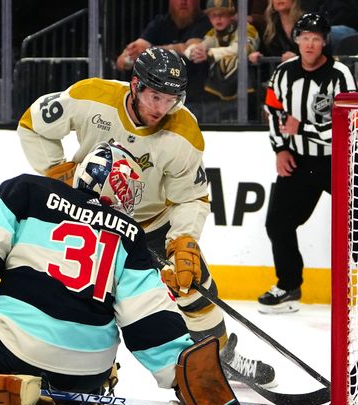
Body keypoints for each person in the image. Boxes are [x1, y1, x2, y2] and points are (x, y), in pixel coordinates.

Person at [0, 141, 247, 405]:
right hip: (87, 371)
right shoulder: (131, 234)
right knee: (88, 361)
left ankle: (23, 404)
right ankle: (75, 399)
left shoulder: (25, 190)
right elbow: (149, 321)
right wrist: (181, 378)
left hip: (13, 348)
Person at [16, 47, 276, 387]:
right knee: (70, 292)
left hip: (149, 225)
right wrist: (55, 170)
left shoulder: (183, 132)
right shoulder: (91, 96)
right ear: (135, 85)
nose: (161, 108)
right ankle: (66, 363)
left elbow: (191, 196)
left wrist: (184, 241)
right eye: (155, 96)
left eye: (170, 99)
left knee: (193, 288)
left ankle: (221, 357)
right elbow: (32, 124)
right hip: (84, 217)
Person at [259, 13, 358, 313]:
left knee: (355, 226)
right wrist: (280, 149)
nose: (310, 44)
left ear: (324, 42)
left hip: (337, 162)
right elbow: (272, 111)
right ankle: (289, 286)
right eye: (305, 37)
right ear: (297, 40)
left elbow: (350, 121)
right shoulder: (283, 73)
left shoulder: (340, 74)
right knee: (278, 223)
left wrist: (302, 128)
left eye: (316, 38)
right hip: (299, 161)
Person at [185, 0, 260, 101]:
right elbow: (199, 47)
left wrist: (209, 54)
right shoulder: (212, 33)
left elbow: (241, 49)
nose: (218, 19)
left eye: (222, 14)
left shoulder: (246, 28)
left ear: (232, 15)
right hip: (220, 90)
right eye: (213, 15)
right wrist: (194, 52)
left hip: (249, 85)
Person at [248, 0, 302, 64]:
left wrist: (297, 58)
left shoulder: (306, 23)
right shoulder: (268, 27)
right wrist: (256, 56)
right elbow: (264, 52)